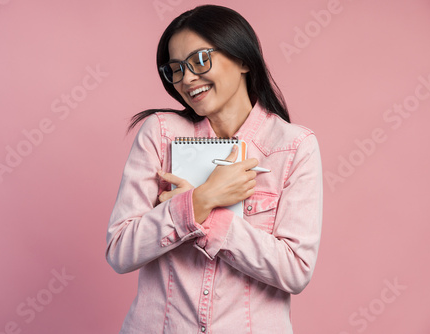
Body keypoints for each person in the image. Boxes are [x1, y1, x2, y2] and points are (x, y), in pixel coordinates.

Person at [106, 4, 323, 333]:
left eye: (200, 60)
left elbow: (295, 270)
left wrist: (207, 214)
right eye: (175, 69)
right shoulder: (160, 132)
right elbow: (120, 250)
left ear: (243, 60)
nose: (187, 78)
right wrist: (200, 199)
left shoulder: (293, 146)